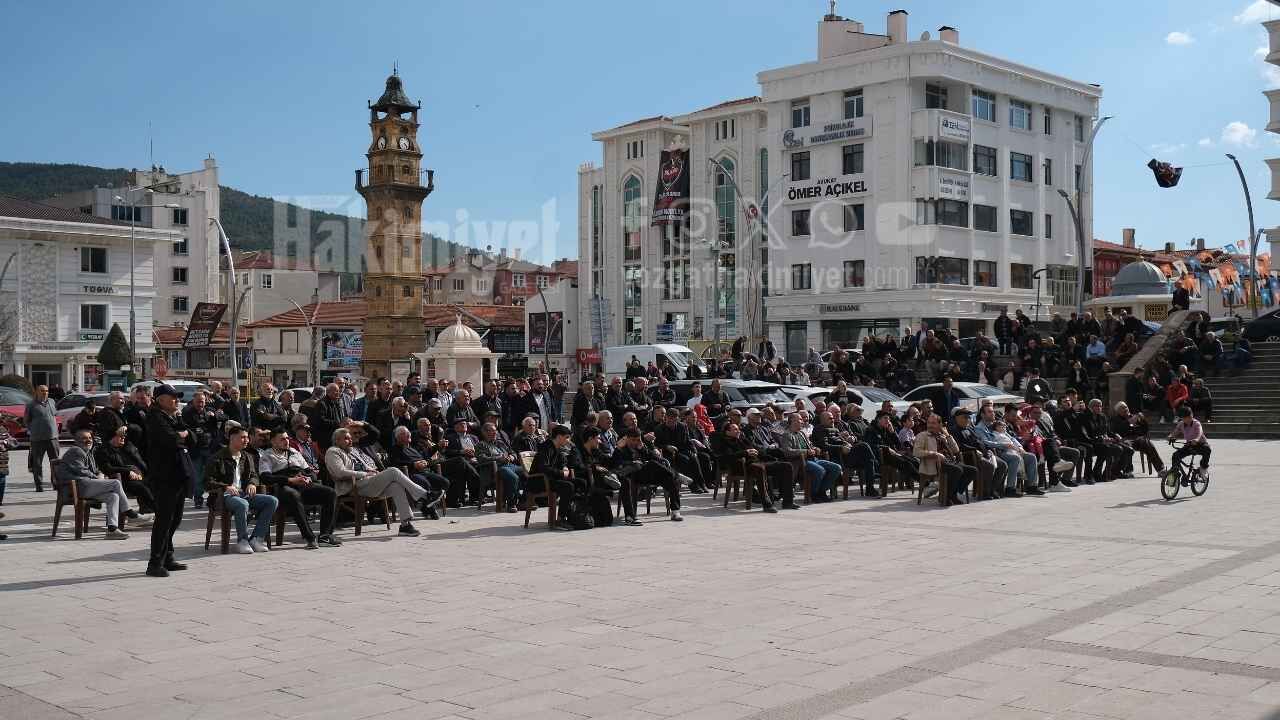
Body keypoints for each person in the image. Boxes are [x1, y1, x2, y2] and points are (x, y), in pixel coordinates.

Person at [325, 427, 430, 537]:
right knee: (393, 471)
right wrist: (364, 474)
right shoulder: (333, 451)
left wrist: (371, 470)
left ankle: (405, 525)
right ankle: (424, 495)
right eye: (346, 438)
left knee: (396, 486)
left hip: (367, 482)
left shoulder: (352, 451)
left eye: (350, 438)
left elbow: (363, 465)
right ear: (337, 440)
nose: (351, 441)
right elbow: (340, 472)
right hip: (353, 486)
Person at [145, 385, 197, 578]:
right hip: (164, 476)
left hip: (179, 474)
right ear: (160, 400)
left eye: (177, 398)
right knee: (164, 521)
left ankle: (168, 557)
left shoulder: (175, 417)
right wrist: (181, 435)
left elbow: (194, 438)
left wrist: (183, 435)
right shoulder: (155, 417)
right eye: (172, 397)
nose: (176, 401)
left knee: (175, 519)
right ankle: (155, 562)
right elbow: (171, 440)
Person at [258, 428, 340, 548]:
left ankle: (325, 536)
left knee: (330, 493)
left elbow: (309, 471)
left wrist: (308, 478)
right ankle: (309, 537)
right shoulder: (267, 455)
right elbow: (266, 477)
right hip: (283, 487)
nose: (286, 441)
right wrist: (290, 480)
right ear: (273, 442)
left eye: (287, 438)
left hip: (302, 483)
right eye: (282, 439)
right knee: (293, 495)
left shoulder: (294, 452)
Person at [204, 424, 278, 554]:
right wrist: (225, 486)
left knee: (272, 501)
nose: (246, 440)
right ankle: (242, 541)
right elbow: (207, 482)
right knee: (242, 504)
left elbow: (254, 475)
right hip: (224, 496)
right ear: (232, 438)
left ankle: (256, 538)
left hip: (243, 493)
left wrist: (252, 483)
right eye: (243, 437)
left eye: (247, 438)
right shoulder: (217, 457)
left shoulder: (246, 456)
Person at [61, 429, 135, 539]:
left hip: (86, 486)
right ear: (76, 441)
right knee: (115, 483)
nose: (88, 440)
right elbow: (82, 471)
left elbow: (95, 469)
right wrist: (97, 478)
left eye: (90, 438)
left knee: (113, 496)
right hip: (77, 487)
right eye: (84, 438)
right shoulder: (76, 451)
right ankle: (128, 512)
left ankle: (112, 529)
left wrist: (100, 475)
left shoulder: (88, 452)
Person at [612, 428, 683, 523]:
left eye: (638, 439)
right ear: (627, 438)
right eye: (633, 440)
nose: (636, 442)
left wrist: (643, 449)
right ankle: (677, 475)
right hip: (633, 476)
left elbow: (657, 459)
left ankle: (675, 511)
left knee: (669, 478)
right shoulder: (621, 448)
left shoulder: (640, 446)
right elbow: (616, 463)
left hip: (646, 474)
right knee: (653, 464)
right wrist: (632, 461)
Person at [530, 425, 589, 525]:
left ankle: (576, 514)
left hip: (552, 479)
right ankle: (561, 518)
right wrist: (562, 472)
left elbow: (562, 463)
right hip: (540, 481)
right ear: (558, 437)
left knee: (581, 482)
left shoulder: (558, 448)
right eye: (566, 437)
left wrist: (564, 468)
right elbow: (543, 468)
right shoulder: (546, 447)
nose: (568, 440)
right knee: (568, 486)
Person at [913, 414, 974, 506]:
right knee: (957, 470)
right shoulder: (922, 435)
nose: (930, 425)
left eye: (933, 423)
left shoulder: (943, 435)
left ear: (939, 425)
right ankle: (947, 497)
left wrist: (948, 436)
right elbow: (916, 452)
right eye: (929, 423)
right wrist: (935, 454)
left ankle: (952, 493)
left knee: (972, 470)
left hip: (949, 461)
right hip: (934, 464)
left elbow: (956, 450)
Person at [95, 425, 157, 515]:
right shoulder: (103, 451)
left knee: (155, 483)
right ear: (113, 437)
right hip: (120, 481)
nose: (123, 437)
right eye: (120, 436)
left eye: (124, 436)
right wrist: (128, 471)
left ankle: (158, 508)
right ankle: (158, 510)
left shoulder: (123, 447)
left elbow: (137, 431)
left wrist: (127, 427)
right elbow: (107, 469)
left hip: (134, 476)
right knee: (142, 488)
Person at [388, 426, 448, 519]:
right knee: (425, 483)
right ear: (398, 437)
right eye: (405, 433)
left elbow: (425, 454)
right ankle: (430, 510)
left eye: (408, 432)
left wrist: (437, 447)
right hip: (409, 474)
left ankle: (425, 505)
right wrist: (413, 465)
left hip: (424, 471)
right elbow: (395, 464)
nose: (409, 434)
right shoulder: (394, 449)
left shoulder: (412, 448)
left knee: (444, 482)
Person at [782, 413, 839, 502]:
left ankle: (821, 491)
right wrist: (806, 452)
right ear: (792, 421)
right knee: (820, 470)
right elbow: (787, 451)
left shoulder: (801, 433)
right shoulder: (787, 435)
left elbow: (810, 446)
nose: (802, 422)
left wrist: (815, 449)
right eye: (800, 420)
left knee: (836, 468)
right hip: (800, 462)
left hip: (813, 460)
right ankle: (813, 494)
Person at [475, 421, 525, 511]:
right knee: (513, 477)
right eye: (492, 431)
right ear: (485, 433)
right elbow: (482, 459)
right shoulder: (480, 445)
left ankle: (523, 501)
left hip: (510, 465)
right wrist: (499, 458)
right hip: (495, 469)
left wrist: (512, 456)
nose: (495, 433)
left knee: (528, 472)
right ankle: (511, 504)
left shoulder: (500, 442)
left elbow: (513, 452)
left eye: (495, 431)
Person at [23, 384, 59, 492]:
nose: (45, 393)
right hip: (37, 439)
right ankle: (39, 485)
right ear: (37, 392)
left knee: (55, 462)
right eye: (42, 391)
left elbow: (54, 415)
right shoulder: (31, 405)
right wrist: (33, 430)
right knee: (37, 463)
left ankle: (56, 484)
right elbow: (26, 421)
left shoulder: (52, 401)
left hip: (53, 437)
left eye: (47, 391)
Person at [1168, 406, 1210, 481]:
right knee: (1175, 456)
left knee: (1207, 449)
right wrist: (1171, 436)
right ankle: (1174, 474)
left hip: (1200, 444)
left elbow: (1200, 432)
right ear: (1183, 418)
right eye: (1187, 417)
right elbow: (1176, 432)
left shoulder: (1196, 423)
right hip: (1190, 444)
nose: (1189, 418)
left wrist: (1196, 439)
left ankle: (1203, 468)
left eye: (1191, 416)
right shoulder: (1181, 424)